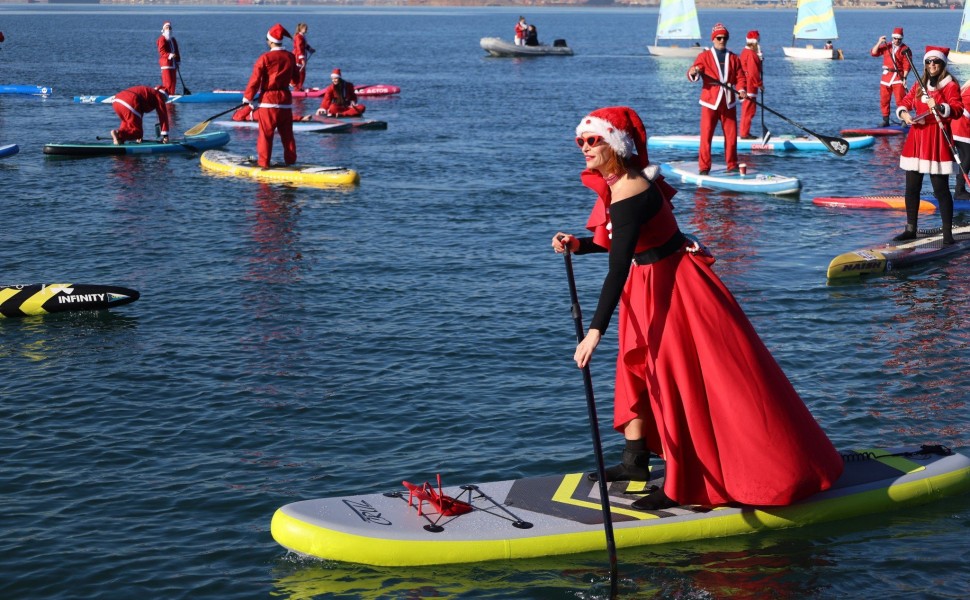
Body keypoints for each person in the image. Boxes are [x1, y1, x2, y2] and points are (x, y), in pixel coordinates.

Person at [551, 106, 844, 511]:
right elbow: (615, 244)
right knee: (636, 372)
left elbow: (617, 267)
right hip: (649, 284)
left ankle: (680, 482)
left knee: (675, 381)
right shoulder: (618, 185)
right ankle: (635, 462)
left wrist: (594, 332)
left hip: (672, 289)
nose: (584, 148)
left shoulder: (629, 191)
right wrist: (578, 243)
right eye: (580, 141)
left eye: (593, 140)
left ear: (615, 145)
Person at [896, 46, 963, 245]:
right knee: (911, 188)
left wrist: (941, 106)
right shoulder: (920, 83)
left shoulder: (950, 85)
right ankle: (910, 229)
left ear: (942, 64)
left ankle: (948, 235)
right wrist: (905, 114)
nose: (932, 64)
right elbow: (905, 101)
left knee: (940, 189)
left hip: (937, 139)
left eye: (936, 61)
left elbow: (957, 108)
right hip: (916, 139)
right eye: (928, 61)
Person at [687, 23, 748, 175]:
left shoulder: (734, 58)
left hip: (728, 102)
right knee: (706, 136)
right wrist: (694, 72)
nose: (722, 40)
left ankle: (732, 164)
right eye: (719, 38)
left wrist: (741, 90)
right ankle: (704, 167)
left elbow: (740, 77)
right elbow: (693, 71)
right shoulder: (704, 56)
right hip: (710, 102)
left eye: (725, 38)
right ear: (713, 39)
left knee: (732, 136)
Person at [243, 23, 298, 168]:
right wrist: (291, 81)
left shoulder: (265, 58)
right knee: (287, 136)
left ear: (271, 41)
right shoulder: (291, 57)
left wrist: (248, 98)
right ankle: (291, 162)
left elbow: (255, 80)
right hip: (285, 102)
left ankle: (264, 164)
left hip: (268, 102)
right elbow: (296, 80)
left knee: (266, 136)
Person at [871, 28, 912, 127]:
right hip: (886, 77)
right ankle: (885, 120)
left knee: (900, 99)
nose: (897, 40)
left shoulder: (905, 49)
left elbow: (907, 65)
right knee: (884, 99)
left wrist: (904, 77)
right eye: (895, 38)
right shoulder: (887, 46)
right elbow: (874, 53)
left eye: (899, 39)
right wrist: (879, 42)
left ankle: (903, 119)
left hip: (898, 77)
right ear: (892, 37)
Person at [739, 30, 763, 140]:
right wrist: (760, 84)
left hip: (747, 86)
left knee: (747, 110)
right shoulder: (751, 54)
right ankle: (744, 134)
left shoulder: (745, 52)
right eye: (758, 41)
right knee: (749, 111)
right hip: (750, 87)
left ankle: (745, 132)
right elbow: (753, 72)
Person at [951, 79, 970, 200]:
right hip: (961, 125)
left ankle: (959, 189)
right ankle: (959, 191)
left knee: (965, 156)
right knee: (967, 156)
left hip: (958, 124)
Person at [156, 21, 181, 96]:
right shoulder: (161, 39)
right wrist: (169, 55)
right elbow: (162, 51)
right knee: (168, 82)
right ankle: (163, 94)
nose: (169, 29)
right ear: (163, 29)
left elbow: (176, 51)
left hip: (173, 64)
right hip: (166, 64)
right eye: (167, 28)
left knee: (173, 82)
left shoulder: (173, 40)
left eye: (170, 28)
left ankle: (171, 94)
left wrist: (178, 61)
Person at [291, 22, 315, 92]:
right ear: (301, 29)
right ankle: (297, 88)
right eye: (305, 28)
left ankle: (299, 86)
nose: (306, 29)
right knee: (300, 72)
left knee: (302, 72)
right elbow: (299, 48)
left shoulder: (302, 36)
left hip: (301, 55)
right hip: (298, 57)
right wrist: (302, 59)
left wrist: (310, 49)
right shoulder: (298, 37)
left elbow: (304, 45)